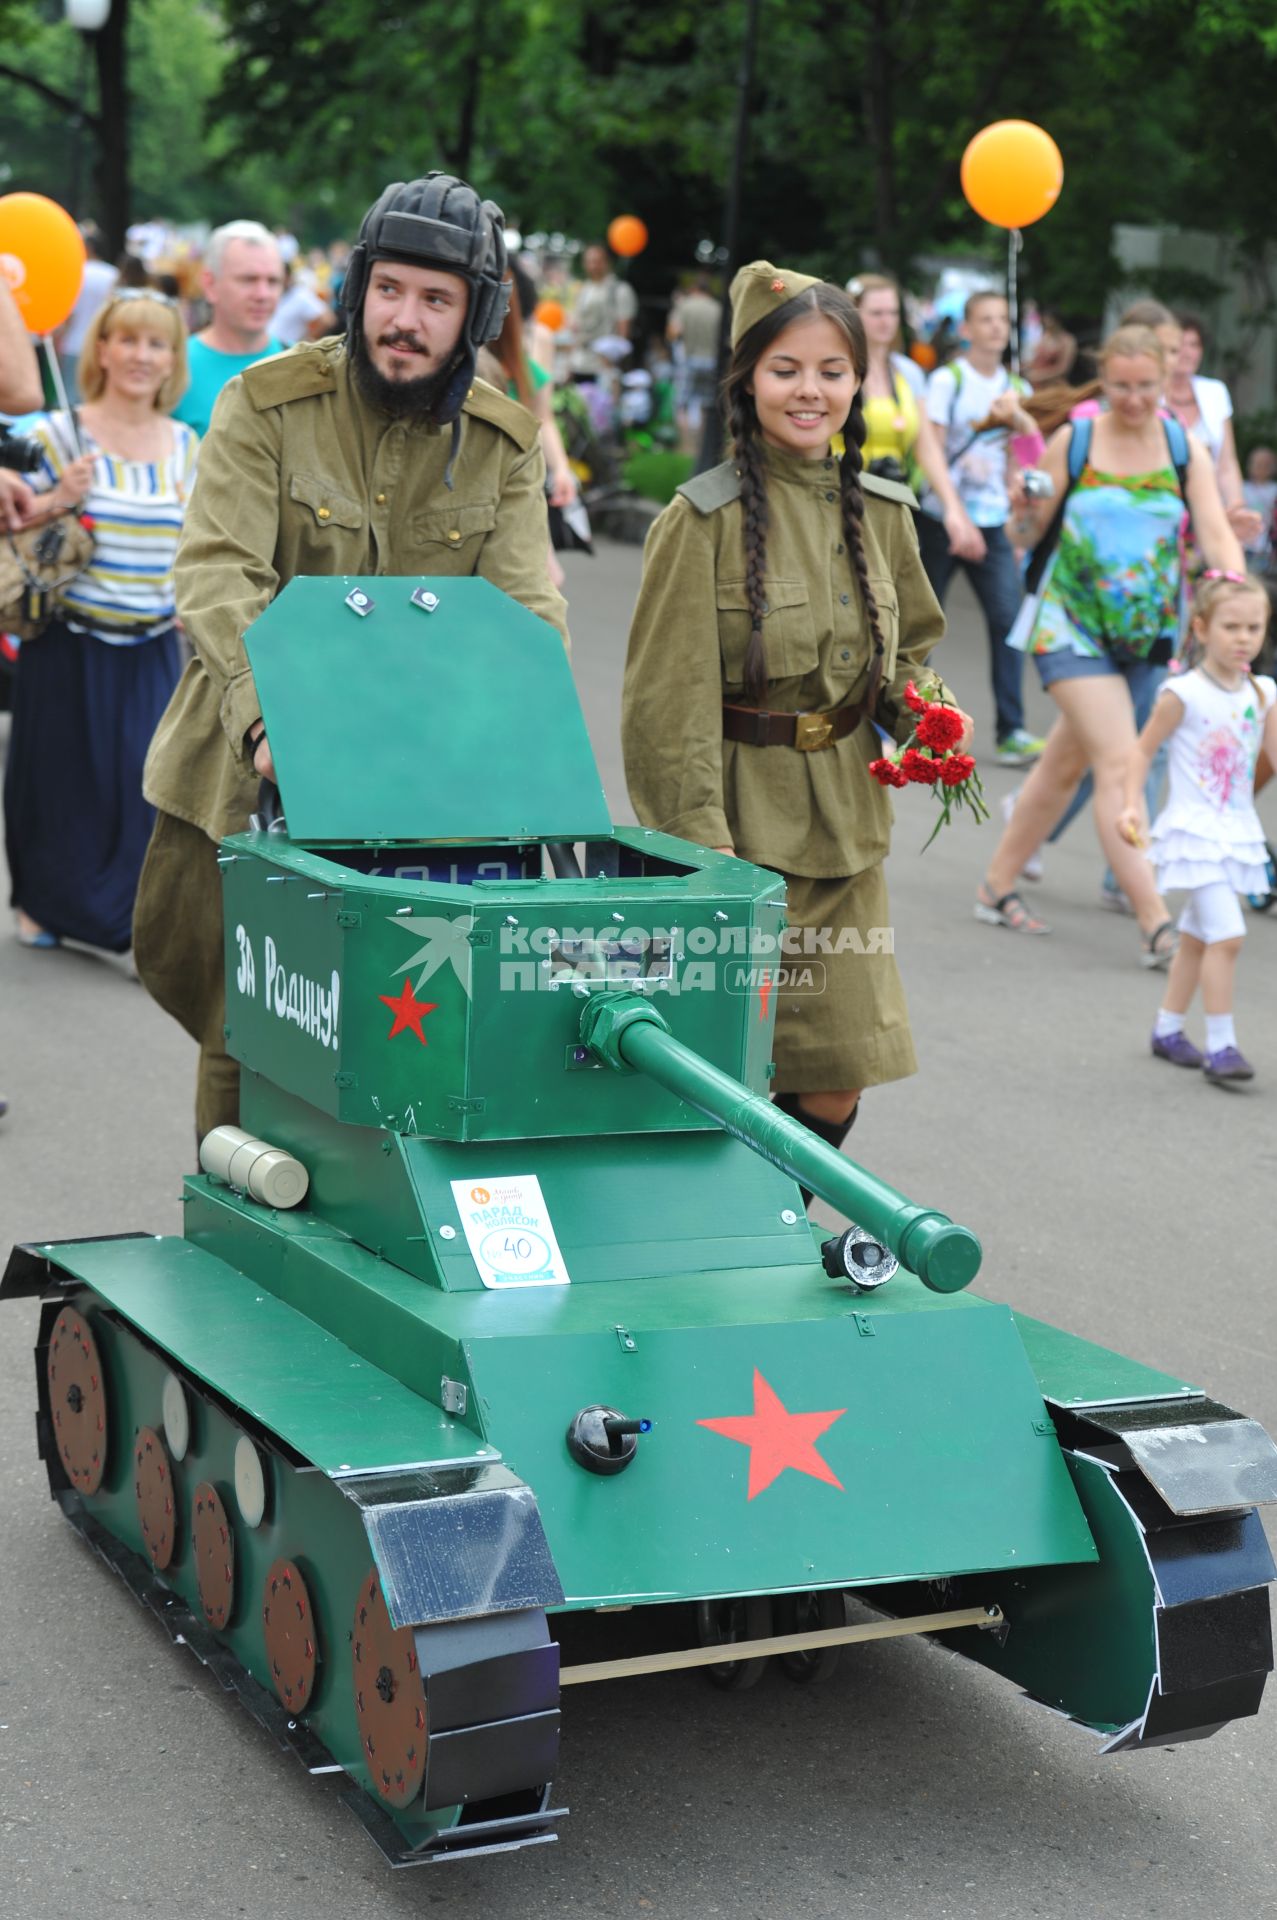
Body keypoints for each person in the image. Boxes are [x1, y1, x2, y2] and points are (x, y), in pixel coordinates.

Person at [133, 172, 568, 1139]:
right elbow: (216, 574)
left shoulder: (502, 442)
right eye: (389, 290)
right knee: (242, 1032)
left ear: (478, 314)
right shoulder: (265, 405)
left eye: (436, 299)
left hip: (428, 799)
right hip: (249, 774)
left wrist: (526, 738)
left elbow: (525, 613)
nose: (403, 320)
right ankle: (230, 1233)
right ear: (355, 289)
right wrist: (274, 721)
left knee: (401, 1044)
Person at [623, 261, 967, 1186]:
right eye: (785, 369)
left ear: (858, 382)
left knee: (836, 1080)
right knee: (723, 1072)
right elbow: (665, 713)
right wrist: (704, 860)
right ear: (745, 379)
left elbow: (908, 660)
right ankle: (722, 1246)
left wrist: (928, 718)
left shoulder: (885, 515)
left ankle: (763, 1220)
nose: (809, 390)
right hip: (738, 836)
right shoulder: (699, 522)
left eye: (830, 370)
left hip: (846, 833)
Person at [975, 324, 1248, 963]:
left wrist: (1233, 594)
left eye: (1146, 386)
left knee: (1063, 767)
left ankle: (995, 887)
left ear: (1166, 379)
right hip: (1068, 624)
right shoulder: (1078, 440)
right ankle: (1157, 926)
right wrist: (1022, 506)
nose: (1132, 399)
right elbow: (1021, 536)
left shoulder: (1185, 447)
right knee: (1121, 764)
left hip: (1146, 637)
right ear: (1106, 379)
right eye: (1120, 386)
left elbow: (1214, 531)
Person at [5, 288, 194, 953]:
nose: (142, 356)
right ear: (103, 349)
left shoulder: (187, 444)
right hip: (68, 636)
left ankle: (131, 918)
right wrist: (61, 496)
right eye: (128, 340)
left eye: (157, 343)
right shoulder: (57, 432)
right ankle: (41, 906)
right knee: (57, 782)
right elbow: (13, 520)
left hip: (151, 643)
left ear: (173, 359)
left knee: (142, 785)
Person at [1118, 572, 1276, 1082]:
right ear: (1203, 628)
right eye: (1232, 626)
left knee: (1197, 937)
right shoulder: (1182, 692)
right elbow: (1141, 751)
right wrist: (1130, 807)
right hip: (1194, 832)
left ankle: (1167, 1029)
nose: (1244, 637)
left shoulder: (1263, 691)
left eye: (1254, 627)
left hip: (1236, 830)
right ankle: (1223, 1045)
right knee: (1227, 934)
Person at [917, 290, 1045, 767]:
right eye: (985, 320)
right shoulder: (948, 380)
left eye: (1002, 320)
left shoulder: (1016, 386)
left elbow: (1024, 457)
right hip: (940, 518)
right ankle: (919, 723)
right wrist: (954, 513)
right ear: (966, 329)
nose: (995, 327)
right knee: (923, 625)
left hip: (991, 523)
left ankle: (1011, 729)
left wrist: (1016, 518)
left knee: (1008, 622)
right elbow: (929, 448)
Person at [848, 273, 983, 560]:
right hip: (843, 499)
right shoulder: (838, 368)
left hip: (892, 503)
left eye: (893, 312)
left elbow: (927, 447)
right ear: (855, 314)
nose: (887, 321)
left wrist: (953, 508)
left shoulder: (907, 372)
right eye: (876, 313)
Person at [172, 220, 285, 438]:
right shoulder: (172, 366)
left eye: (273, 281)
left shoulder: (300, 366)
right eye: (248, 280)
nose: (263, 294)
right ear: (210, 284)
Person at [54, 222, 118, 405]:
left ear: (87, 248)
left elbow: (69, 314)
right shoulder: (113, 274)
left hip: (74, 344)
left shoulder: (77, 273)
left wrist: (59, 339)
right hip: (102, 346)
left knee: (67, 396)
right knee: (94, 395)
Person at [667, 272, 722, 449]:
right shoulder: (718, 308)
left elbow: (673, 333)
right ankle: (702, 447)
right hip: (712, 363)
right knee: (706, 405)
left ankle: (685, 446)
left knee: (682, 404)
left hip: (689, 361)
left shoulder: (685, 305)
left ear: (694, 288)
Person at [569, 243, 637, 381]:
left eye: (597, 261)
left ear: (607, 263)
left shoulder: (620, 290)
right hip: (579, 362)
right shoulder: (584, 289)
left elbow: (624, 332)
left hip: (603, 367)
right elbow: (577, 326)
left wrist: (614, 360)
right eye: (589, 262)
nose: (593, 266)